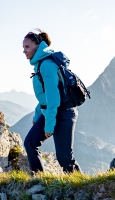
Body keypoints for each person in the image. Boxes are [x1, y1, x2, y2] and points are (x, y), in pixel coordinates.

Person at [22, 30, 79, 173]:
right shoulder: (40, 64)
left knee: (65, 157)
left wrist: (49, 125)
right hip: (52, 111)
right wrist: (37, 117)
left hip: (64, 112)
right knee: (30, 143)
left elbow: (53, 98)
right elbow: (44, 97)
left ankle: (83, 188)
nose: (24, 51)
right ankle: (39, 180)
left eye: (27, 47)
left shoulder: (47, 65)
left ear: (38, 46)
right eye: (23, 47)